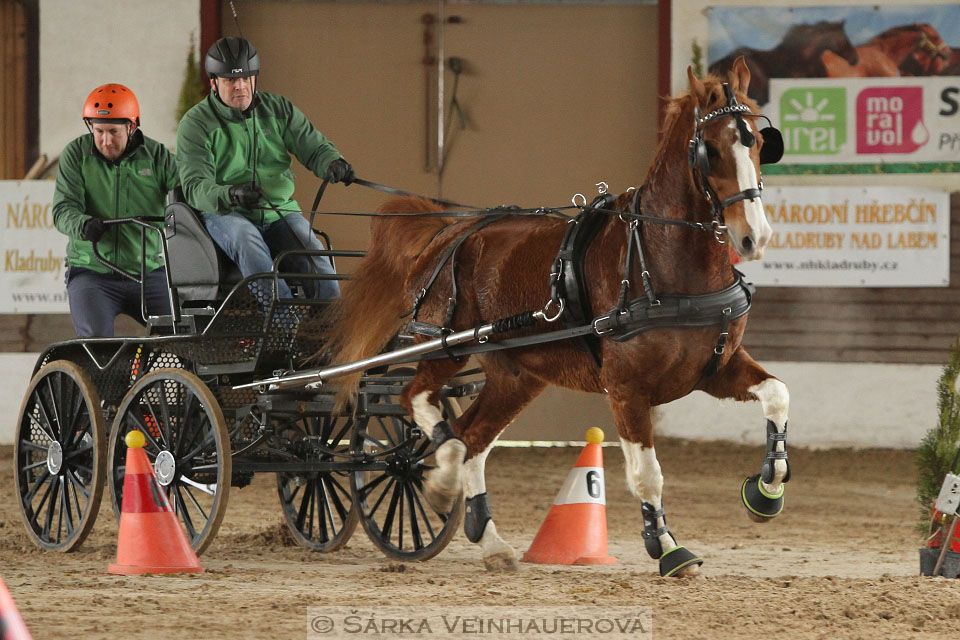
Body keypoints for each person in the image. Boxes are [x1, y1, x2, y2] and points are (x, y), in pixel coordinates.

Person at [176, 36, 353, 303]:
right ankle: (281, 322)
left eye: (247, 78)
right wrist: (231, 194)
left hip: (279, 210)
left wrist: (333, 162)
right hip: (227, 213)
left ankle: (331, 325)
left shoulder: (279, 109)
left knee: (312, 249)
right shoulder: (196, 124)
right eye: (231, 80)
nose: (241, 87)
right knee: (248, 241)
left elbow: (313, 146)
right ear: (214, 83)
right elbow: (195, 186)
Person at [53, 83, 178, 337]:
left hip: (148, 272)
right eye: (98, 131)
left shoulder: (157, 156)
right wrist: (84, 224)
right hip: (92, 272)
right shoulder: (76, 155)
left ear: (131, 127)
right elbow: (63, 209)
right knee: (98, 347)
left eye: (114, 131)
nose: (106, 141)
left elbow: (188, 193)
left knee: (185, 336)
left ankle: (162, 375)